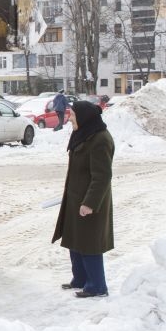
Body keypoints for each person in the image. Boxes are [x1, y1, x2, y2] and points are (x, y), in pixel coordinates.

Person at [51, 100, 115, 298]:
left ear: (84, 117)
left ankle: (97, 286)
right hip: (75, 198)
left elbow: (102, 176)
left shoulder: (100, 139)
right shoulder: (84, 134)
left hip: (89, 201)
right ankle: (79, 279)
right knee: (75, 240)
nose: (69, 119)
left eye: (72, 115)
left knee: (89, 243)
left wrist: (89, 203)